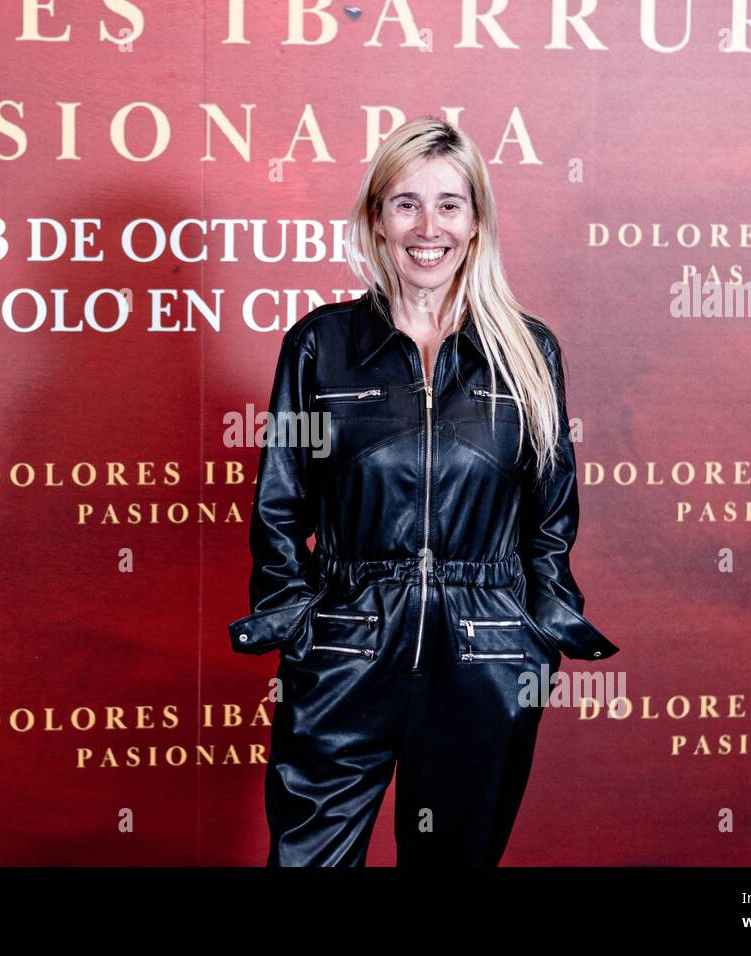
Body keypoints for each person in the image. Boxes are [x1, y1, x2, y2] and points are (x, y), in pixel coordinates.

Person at [227, 116, 619, 867]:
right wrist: (301, 622)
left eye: (449, 204)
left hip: (487, 657)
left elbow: (550, 516)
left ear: (476, 223)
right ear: (377, 218)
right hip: (346, 649)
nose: (427, 227)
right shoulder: (321, 347)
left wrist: (537, 629)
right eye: (406, 203)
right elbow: (280, 504)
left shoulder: (528, 352)